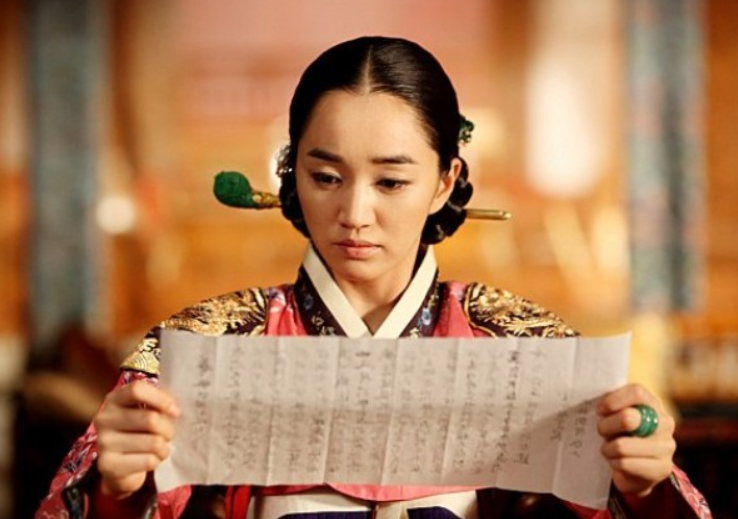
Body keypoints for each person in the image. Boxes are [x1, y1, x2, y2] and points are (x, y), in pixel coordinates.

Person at [36, 36, 712, 519]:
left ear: (445, 180)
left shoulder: (526, 346)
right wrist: (118, 490)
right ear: (290, 173)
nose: (355, 213)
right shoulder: (200, 348)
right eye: (326, 176)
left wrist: (643, 487)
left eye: (391, 181)